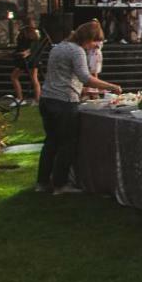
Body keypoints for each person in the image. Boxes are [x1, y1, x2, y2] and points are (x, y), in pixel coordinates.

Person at [36, 20, 122, 194]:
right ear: (88, 38)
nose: (94, 46)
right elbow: (85, 77)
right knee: (67, 144)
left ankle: (42, 182)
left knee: (50, 143)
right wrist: (111, 86)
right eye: (94, 41)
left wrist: (81, 90)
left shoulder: (58, 47)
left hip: (47, 99)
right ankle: (60, 185)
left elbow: (62, 76)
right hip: (64, 103)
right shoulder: (77, 51)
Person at [10, 16, 42, 104]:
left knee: (14, 77)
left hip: (27, 59)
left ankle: (20, 98)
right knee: (34, 79)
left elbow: (31, 47)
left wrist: (26, 52)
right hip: (32, 58)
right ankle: (37, 100)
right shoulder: (34, 33)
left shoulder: (25, 33)